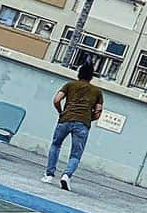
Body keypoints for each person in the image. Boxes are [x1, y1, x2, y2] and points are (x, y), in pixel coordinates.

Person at [43, 62, 103, 191]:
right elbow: (98, 113)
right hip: (83, 124)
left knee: (56, 145)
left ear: (79, 74)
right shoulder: (97, 92)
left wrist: (61, 112)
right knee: (76, 154)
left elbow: (57, 100)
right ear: (91, 77)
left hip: (65, 119)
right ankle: (66, 175)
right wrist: (87, 118)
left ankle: (49, 175)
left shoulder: (70, 85)